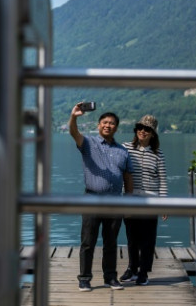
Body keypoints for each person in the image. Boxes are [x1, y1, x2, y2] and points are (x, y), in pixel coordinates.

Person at [68, 102, 134, 292]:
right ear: (98, 125)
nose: (107, 125)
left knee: (111, 243)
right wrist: (74, 117)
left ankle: (110, 277)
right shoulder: (88, 143)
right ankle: (84, 279)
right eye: (104, 122)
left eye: (111, 123)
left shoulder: (123, 151)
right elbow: (74, 133)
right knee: (88, 241)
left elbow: (128, 178)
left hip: (115, 201)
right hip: (92, 199)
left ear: (116, 127)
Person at [120, 114, 168, 286]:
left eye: (147, 129)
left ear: (153, 133)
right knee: (132, 237)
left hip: (151, 200)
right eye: (139, 128)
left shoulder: (158, 154)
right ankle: (132, 269)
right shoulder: (125, 148)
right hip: (130, 199)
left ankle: (144, 272)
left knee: (148, 238)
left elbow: (162, 179)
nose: (142, 131)